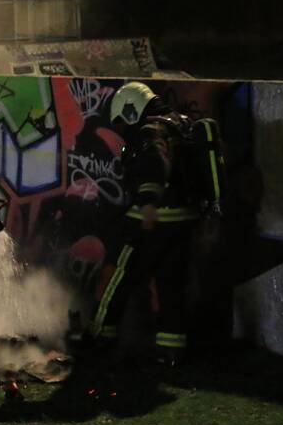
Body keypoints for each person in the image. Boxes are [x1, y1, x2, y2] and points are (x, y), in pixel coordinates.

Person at [87, 81, 225, 369]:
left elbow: (155, 161)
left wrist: (148, 199)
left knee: (118, 276)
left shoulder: (150, 131)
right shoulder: (182, 125)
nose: (123, 129)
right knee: (170, 285)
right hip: (184, 220)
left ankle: (100, 337)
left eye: (122, 121)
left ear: (130, 109)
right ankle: (170, 352)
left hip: (151, 219)